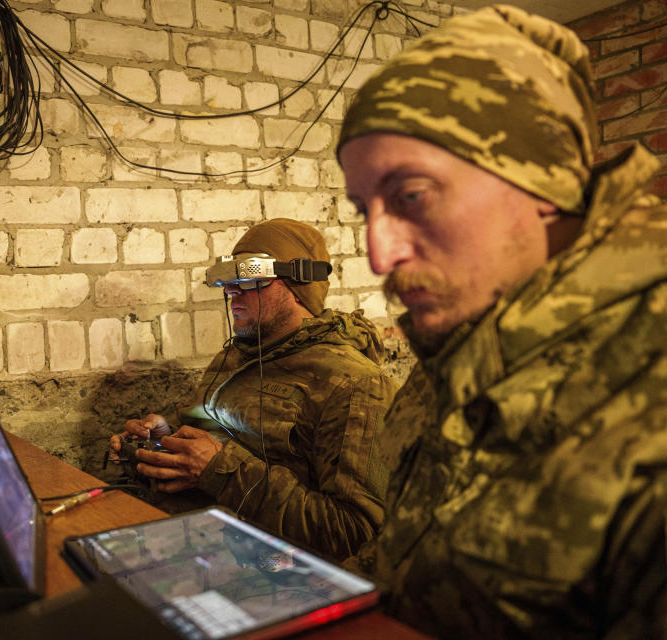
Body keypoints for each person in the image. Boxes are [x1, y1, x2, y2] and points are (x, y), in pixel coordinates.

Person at [336, 5, 667, 638]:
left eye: (411, 197)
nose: (380, 254)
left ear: (545, 179)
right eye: (364, 207)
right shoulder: (468, 338)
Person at [109, 218, 395, 558]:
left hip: (273, 578)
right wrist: (167, 439)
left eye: (249, 278)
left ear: (298, 284)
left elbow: (356, 534)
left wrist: (221, 471)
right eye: (230, 279)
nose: (231, 291)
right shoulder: (236, 355)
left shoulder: (355, 384)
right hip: (190, 546)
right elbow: (213, 436)